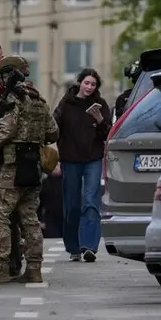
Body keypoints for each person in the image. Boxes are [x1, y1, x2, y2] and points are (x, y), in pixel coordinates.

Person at [0, 58, 59, 284]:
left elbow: (6, 129)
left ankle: (0, 267)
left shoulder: (13, 98)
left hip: (11, 167)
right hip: (33, 167)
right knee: (30, 218)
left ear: (6, 75)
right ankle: (34, 268)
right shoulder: (39, 99)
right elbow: (53, 133)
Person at [53, 68, 111, 262]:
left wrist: (100, 121)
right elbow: (53, 127)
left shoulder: (100, 104)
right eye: (86, 83)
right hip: (70, 159)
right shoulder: (66, 103)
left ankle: (89, 246)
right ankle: (73, 247)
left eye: (93, 84)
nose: (89, 87)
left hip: (93, 158)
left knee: (91, 200)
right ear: (79, 83)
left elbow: (107, 134)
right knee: (72, 204)